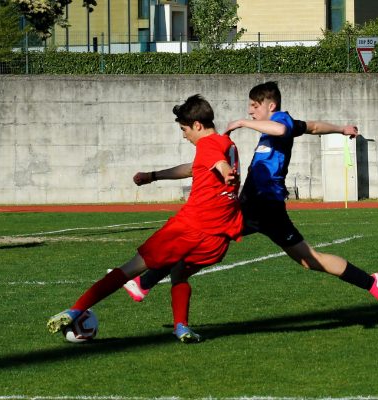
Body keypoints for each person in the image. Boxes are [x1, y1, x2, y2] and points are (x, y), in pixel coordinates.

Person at [124, 81, 378, 315]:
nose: (249, 111)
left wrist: (243, 123)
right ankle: (146, 283)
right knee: (203, 238)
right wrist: (341, 128)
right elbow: (313, 126)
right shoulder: (266, 129)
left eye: (253, 106)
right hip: (250, 207)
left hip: (267, 207)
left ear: (270, 106)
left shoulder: (282, 121)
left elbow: (281, 130)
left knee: (309, 260)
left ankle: (373, 283)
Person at [47, 94, 243, 343]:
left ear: (197, 125)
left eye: (184, 129)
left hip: (189, 228)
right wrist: (154, 175)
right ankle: (181, 327)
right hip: (218, 237)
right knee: (180, 274)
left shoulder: (208, 145)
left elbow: (218, 163)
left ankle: (75, 309)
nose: (184, 135)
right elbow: (197, 167)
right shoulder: (227, 143)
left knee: (130, 268)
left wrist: (227, 173)